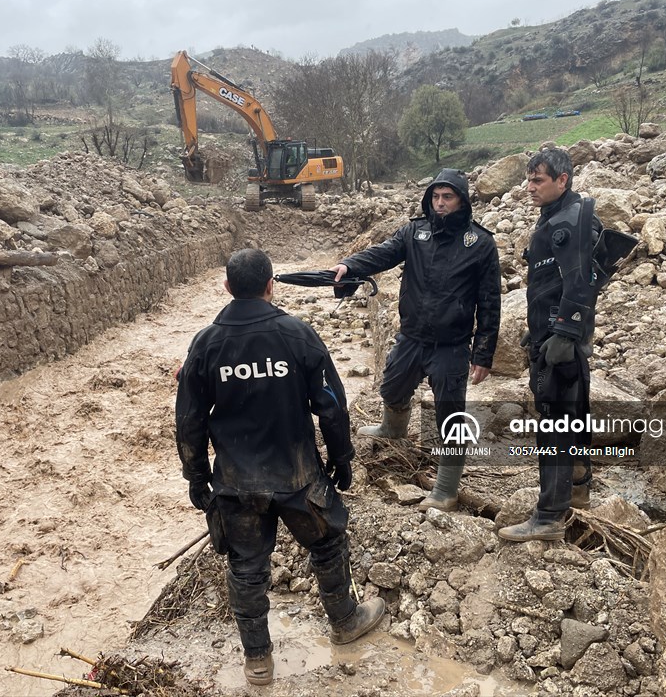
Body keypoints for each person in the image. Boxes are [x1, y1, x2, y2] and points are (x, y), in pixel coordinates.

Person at [175, 248, 385, 686]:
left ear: (228, 288)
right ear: (271, 285)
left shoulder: (205, 344)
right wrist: (341, 459)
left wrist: (195, 476)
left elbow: (189, 420)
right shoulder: (298, 335)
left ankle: (258, 661)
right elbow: (331, 406)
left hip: (236, 483)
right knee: (327, 545)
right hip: (298, 478)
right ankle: (345, 621)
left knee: (246, 568)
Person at [331, 169, 501, 512]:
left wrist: (483, 353)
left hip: (451, 345)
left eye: (447, 197)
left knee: (449, 416)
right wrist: (349, 266)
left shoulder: (480, 243)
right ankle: (393, 429)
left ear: (462, 201)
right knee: (392, 387)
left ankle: (446, 489)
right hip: (412, 337)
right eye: (436, 197)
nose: (440, 204)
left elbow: (489, 302)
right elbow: (383, 253)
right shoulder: (415, 231)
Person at [499, 148, 600, 542]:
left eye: (538, 180)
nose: (529, 187)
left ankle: (549, 516)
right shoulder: (558, 217)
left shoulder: (569, 220)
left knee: (555, 423)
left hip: (561, 343)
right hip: (554, 335)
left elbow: (582, 282)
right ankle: (578, 490)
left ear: (563, 180)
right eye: (528, 179)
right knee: (573, 413)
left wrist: (565, 333)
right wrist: (539, 328)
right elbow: (554, 283)